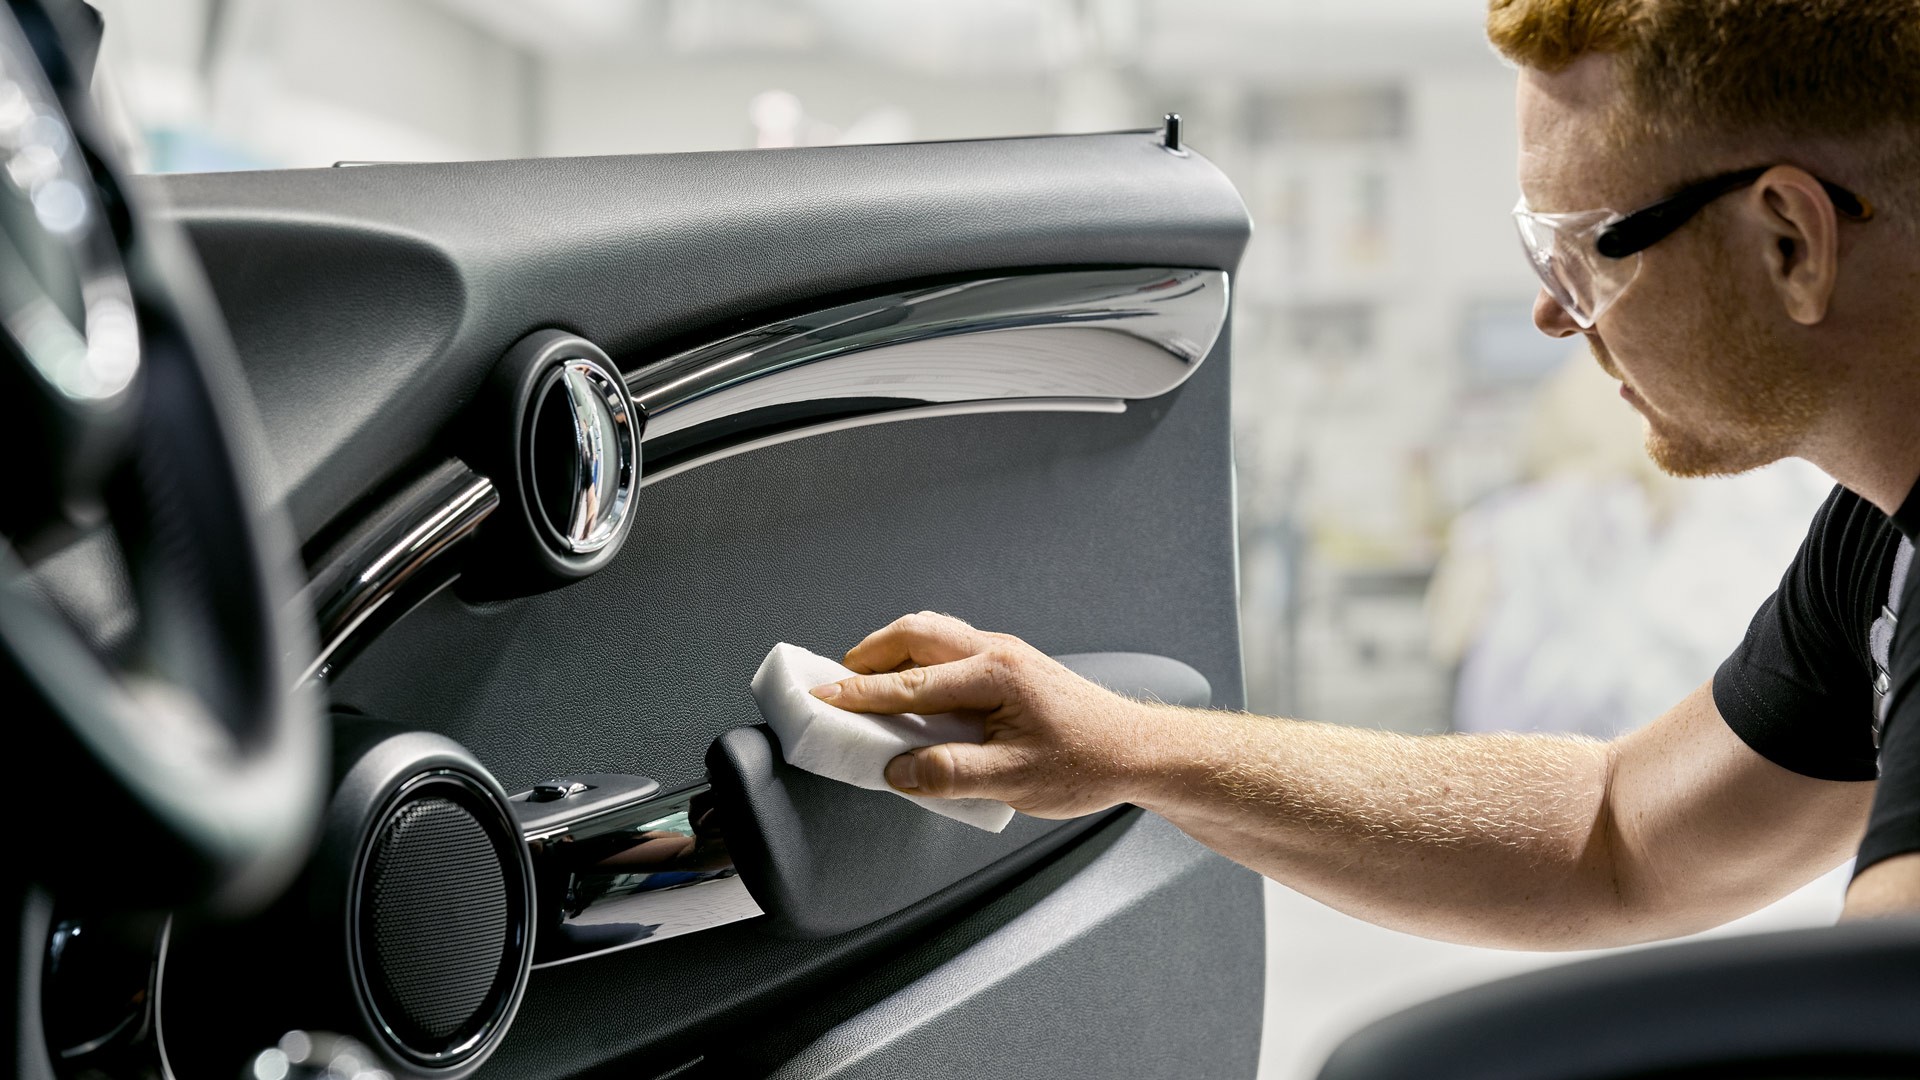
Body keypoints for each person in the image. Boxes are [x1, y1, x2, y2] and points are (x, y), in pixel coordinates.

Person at [809, 0, 1920, 948]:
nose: (1551, 312)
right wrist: (1127, 746)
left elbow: (1872, 1028)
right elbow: (1614, 833)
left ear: (1791, 241)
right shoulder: (1880, 536)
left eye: (1583, 253)